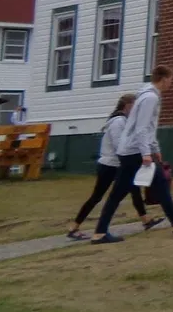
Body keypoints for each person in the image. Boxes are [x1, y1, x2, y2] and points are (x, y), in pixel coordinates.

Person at [90, 65, 173, 243]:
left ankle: (100, 232)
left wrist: (155, 149)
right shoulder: (150, 98)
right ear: (164, 79)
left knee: (122, 192)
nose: (171, 83)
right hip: (135, 151)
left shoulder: (145, 95)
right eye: (171, 79)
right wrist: (146, 153)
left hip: (129, 150)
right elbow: (142, 128)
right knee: (157, 186)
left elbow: (148, 128)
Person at [66, 94, 163, 240]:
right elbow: (120, 145)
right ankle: (74, 226)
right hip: (110, 165)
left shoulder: (125, 121)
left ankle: (146, 220)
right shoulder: (118, 122)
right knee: (97, 196)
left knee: (135, 190)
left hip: (119, 164)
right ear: (127, 106)